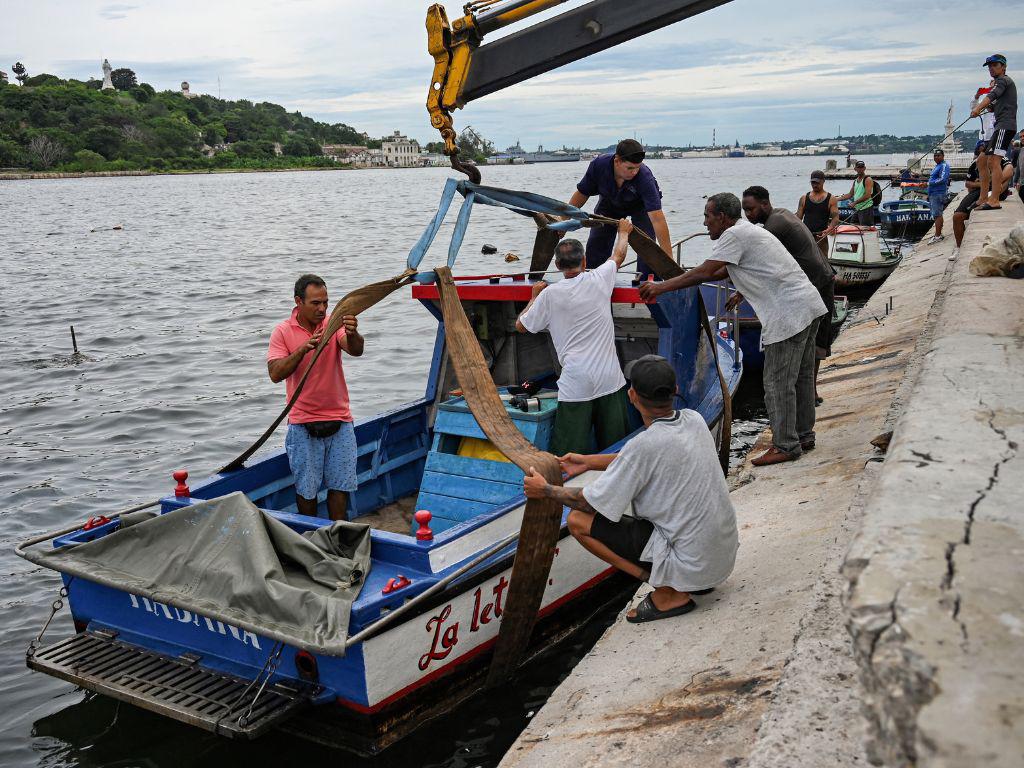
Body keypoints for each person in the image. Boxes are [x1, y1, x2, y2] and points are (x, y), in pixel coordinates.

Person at [522, 355, 738, 624]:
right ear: (676, 391)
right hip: (720, 560)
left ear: (632, 395)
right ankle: (680, 579)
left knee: (578, 521)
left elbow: (590, 503)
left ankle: (665, 589)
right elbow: (643, 459)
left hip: (693, 565)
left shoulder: (644, 446)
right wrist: (588, 462)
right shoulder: (693, 420)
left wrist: (546, 490)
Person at [638, 193, 827, 466]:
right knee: (800, 378)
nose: (704, 223)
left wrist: (661, 286)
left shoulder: (734, 236)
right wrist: (741, 291)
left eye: (707, 216)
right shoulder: (747, 231)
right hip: (808, 305)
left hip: (789, 315)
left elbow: (705, 272)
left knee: (777, 383)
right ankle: (804, 435)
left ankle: (786, 444)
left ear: (722, 217)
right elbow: (728, 271)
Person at [516, 219, 633, 455]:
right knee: (616, 452)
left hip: (576, 382)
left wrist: (533, 297)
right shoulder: (599, 279)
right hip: (610, 378)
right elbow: (618, 255)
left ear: (558, 265)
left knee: (569, 455)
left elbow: (521, 326)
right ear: (585, 261)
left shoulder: (550, 294)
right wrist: (623, 231)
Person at [267, 274, 363, 520]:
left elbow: (355, 349)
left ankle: (338, 536)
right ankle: (310, 536)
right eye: (315, 303)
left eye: (325, 303)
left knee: (340, 486)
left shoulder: (334, 324)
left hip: (340, 420)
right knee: (306, 490)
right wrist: (302, 349)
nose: (322, 309)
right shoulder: (282, 332)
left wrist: (352, 333)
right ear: (298, 301)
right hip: (302, 424)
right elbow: (275, 374)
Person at [741, 186, 835, 404]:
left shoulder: (773, 227)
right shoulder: (782, 213)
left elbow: (758, 263)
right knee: (815, 339)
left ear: (765, 204)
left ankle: (808, 392)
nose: (748, 215)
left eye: (751, 209)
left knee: (813, 340)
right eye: (745, 210)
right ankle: (809, 392)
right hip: (823, 279)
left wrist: (740, 290)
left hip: (817, 284)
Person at [567, 139, 672, 277]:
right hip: (609, 204)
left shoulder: (645, 177)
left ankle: (647, 282)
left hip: (641, 208)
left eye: (638, 167)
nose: (634, 172)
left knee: (647, 245)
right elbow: (582, 194)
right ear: (617, 161)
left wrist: (669, 260)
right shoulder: (599, 165)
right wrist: (563, 219)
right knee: (596, 243)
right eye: (630, 168)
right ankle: (594, 280)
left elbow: (658, 219)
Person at [952, 141, 1014, 257]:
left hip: (997, 190)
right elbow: (968, 183)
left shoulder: (999, 158)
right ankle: (959, 248)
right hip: (979, 192)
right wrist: (982, 184)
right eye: (981, 149)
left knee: (1001, 186)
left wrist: (993, 181)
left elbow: (1010, 170)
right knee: (957, 216)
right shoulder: (975, 164)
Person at [971, 54, 1017, 210]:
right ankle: (983, 198)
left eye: (994, 65)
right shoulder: (1001, 83)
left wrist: (978, 108)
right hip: (1001, 126)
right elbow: (994, 104)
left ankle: (994, 200)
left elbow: (991, 96)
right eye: (989, 66)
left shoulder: (1003, 81)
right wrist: (984, 107)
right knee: (982, 161)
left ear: (1003, 67)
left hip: (1005, 126)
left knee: (993, 162)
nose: (991, 68)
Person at [796, 170, 840, 262]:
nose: (815, 185)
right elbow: (797, 219)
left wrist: (828, 229)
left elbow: (835, 218)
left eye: (817, 183)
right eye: (813, 182)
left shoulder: (831, 199)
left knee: (823, 262)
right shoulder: (804, 198)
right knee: (806, 261)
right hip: (807, 236)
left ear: (823, 181)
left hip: (821, 236)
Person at [836, 160, 875, 225]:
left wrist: (855, 202)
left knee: (865, 228)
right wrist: (836, 199)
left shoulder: (868, 179)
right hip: (857, 208)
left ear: (864, 168)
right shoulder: (855, 181)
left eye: (861, 167)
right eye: (858, 167)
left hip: (866, 208)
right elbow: (850, 194)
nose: (860, 169)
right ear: (855, 169)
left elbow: (867, 195)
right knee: (853, 225)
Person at [926, 149, 951, 244]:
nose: (936, 157)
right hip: (932, 193)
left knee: (937, 215)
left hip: (938, 193)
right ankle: (938, 233)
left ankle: (938, 236)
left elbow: (943, 179)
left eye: (938, 155)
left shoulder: (944, 166)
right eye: (935, 156)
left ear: (943, 156)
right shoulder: (937, 166)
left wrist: (929, 183)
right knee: (936, 215)